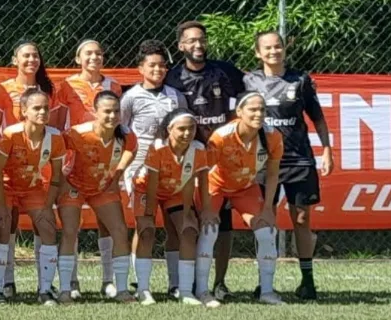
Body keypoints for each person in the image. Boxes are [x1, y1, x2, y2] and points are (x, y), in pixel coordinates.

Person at [245, 31, 332, 299]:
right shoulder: (248, 81)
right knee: (265, 220)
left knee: (302, 218)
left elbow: (317, 118)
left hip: (299, 159)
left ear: (284, 49)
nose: (274, 52)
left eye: (278, 47)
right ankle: (265, 282)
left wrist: (327, 150)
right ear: (258, 52)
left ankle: (307, 281)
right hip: (262, 161)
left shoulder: (301, 80)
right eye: (268, 48)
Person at [165, 20, 245, 299]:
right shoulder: (172, 78)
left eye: (201, 40)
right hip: (188, 160)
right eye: (191, 41)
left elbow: (244, 104)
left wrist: (231, 139)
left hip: (222, 159)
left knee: (222, 223)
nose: (198, 45)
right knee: (185, 220)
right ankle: (181, 283)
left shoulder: (226, 72)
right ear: (181, 46)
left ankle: (219, 283)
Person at [198, 92, 284, 305]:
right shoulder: (221, 136)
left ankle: (266, 292)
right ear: (239, 112)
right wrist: (207, 208)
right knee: (209, 231)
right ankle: (202, 291)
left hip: (246, 187)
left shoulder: (272, 135)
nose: (258, 113)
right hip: (215, 184)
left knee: (266, 232)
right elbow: (202, 171)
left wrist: (267, 209)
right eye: (252, 109)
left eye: (262, 109)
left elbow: (273, 174)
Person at [0, 40, 56, 296]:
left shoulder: (48, 90)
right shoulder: (3, 90)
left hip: (39, 170)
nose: (31, 60)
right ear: (14, 60)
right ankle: (7, 281)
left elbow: (54, 130)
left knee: (44, 223)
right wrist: (14, 157)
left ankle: (45, 284)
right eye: (25, 56)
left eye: (35, 55)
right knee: (8, 221)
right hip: (9, 168)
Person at [53, 39, 122, 298]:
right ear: (77, 58)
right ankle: (71, 282)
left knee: (108, 222)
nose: (94, 57)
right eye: (88, 53)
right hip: (76, 164)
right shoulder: (67, 85)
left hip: (105, 163)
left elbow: (119, 125)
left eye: (99, 53)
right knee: (72, 224)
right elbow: (59, 127)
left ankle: (108, 281)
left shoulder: (114, 85)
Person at [120, 39, 187, 297]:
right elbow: (123, 132)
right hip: (141, 169)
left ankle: (175, 285)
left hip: (171, 169)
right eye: (152, 65)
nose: (157, 70)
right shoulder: (131, 97)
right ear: (141, 68)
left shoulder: (176, 96)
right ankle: (142, 286)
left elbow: (184, 131)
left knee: (175, 226)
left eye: (162, 66)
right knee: (145, 226)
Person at [58, 91, 137, 303]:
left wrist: (117, 174)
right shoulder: (76, 134)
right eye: (107, 111)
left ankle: (121, 289)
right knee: (69, 231)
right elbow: (57, 154)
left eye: (116, 111)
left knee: (120, 230)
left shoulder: (127, 134)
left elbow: (132, 150)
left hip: (102, 187)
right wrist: (63, 183)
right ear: (95, 112)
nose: (113, 116)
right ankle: (66, 289)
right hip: (74, 186)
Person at [131, 110, 217, 307]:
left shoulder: (198, 149)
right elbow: (151, 185)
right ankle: (142, 289)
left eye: (191, 128)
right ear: (169, 129)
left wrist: (193, 212)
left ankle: (184, 290)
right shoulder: (158, 148)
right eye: (181, 129)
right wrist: (150, 215)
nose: (187, 133)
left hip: (175, 191)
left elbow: (196, 182)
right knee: (146, 231)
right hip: (146, 190)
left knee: (188, 230)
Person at [0, 87, 65, 305]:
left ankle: (45, 290)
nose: (42, 112)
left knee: (48, 227)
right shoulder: (11, 134)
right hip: (6, 187)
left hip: (33, 189)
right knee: (3, 227)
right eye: (36, 108)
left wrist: (47, 206)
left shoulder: (55, 138)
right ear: (24, 110)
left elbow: (57, 177)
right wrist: (2, 206)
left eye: (46, 108)